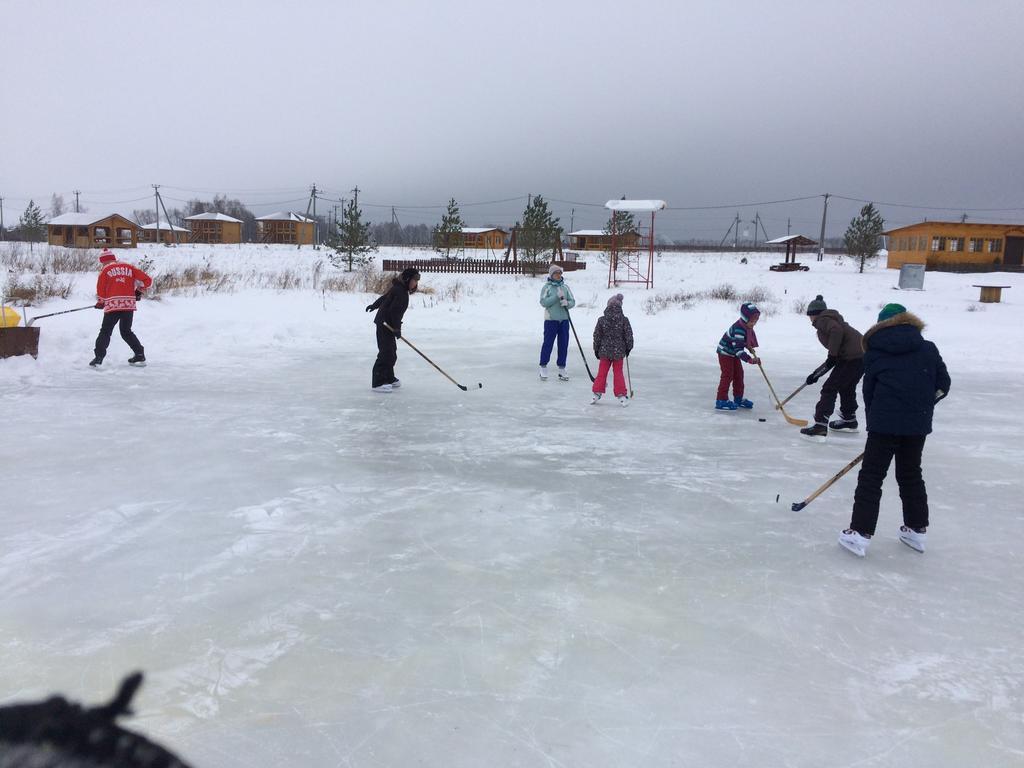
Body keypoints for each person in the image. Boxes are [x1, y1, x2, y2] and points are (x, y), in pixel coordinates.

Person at [838, 303, 950, 558]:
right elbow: (943, 384)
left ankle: (860, 533)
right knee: (910, 474)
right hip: (917, 424)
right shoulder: (928, 349)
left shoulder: (875, 351)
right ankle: (916, 529)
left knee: (872, 477)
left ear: (881, 324)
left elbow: (869, 392)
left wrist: (875, 422)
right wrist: (922, 404)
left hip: (883, 425)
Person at [799, 295, 865, 438]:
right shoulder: (833, 319)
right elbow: (832, 360)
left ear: (813, 314)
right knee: (846, 387)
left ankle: (820, 425)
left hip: (852, 358)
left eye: (810, 315)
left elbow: (835, 332)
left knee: (830, 388)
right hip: (861, 358)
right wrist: (816, 375)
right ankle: (849, 419)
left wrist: (832, 355)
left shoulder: (823, 319)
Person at [90, 249, 152, 367]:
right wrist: (138, 291)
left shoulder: (105, 270)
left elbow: (101, 288)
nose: (102, 265)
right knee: (126, 331)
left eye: (102, 263)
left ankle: (98, 357)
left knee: (105, 331)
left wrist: (101, 302)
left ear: (105, 261)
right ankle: (139, 354)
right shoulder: (130, 267)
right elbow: (147, 280)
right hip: (128, 305)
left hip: (113, 306)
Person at [367, 267, 419, 393]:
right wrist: (397, 328)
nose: (416, 283)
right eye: (414, 280)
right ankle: (378, 382)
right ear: (407, 279)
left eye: (417, 281)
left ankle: (389, 378)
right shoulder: (400, 291)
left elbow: (385, 298)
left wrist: (374, 305)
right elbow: (394, 312)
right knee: (386, 353)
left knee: (391, 352)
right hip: (385, 324)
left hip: (387, 324)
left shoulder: (399, 289)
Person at [715, 302, 761, 410]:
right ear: (745, 318)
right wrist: (750, 360)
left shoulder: (746, 327)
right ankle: (721, 399)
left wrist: (749, 347)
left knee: (739, 374)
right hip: (725, 352)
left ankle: (738, 398)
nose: (754, 323)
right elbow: (738, 350)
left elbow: (743, 342)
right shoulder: (739, 329)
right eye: (752, 321)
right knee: (728, 375)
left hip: (733, 353)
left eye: (756, 320)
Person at [591, 293, 634, 406]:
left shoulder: (602, 320)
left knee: (602, 372)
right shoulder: (624, 320)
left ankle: (597, 392)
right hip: (619, 352)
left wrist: (596, 349)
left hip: (604, 351)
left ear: (608, 306)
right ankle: (621, 394)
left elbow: (597, 336)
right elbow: (628, 336)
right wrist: (628, 348)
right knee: (618, 372)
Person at [538, 263, 576, 381]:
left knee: (563, 344)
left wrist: (567, 303)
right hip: (551, 320)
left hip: (564, 320)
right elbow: (543, 302)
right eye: (556, 273)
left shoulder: (565, 287)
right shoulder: (547, 287)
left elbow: (572, 301)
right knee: (548, 343)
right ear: (551, 275)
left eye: (560, 273)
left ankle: (561, 368)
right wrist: (555, 297)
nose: (558, 275)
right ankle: (543, 366)